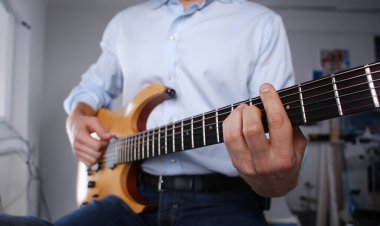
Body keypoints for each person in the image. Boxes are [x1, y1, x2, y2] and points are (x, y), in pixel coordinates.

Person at [56, 0, 307, 225]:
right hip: (128, 194)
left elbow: (278, 136)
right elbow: (90, 89)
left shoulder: (262, 24)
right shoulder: (124, 23)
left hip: (223, 200)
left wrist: (278, 175)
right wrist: (76, 121)